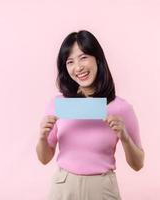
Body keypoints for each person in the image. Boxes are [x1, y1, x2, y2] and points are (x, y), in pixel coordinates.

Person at [36, 30, 145, 200]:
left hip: (102, 188)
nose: (78, 67)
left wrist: (124, 137)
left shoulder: (121, 108)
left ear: (97, 58)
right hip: (63, 187)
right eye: (70, 61)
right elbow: (44, 159)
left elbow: (138, 164)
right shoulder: (58, 104)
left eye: (84, 57)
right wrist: (42, 137)